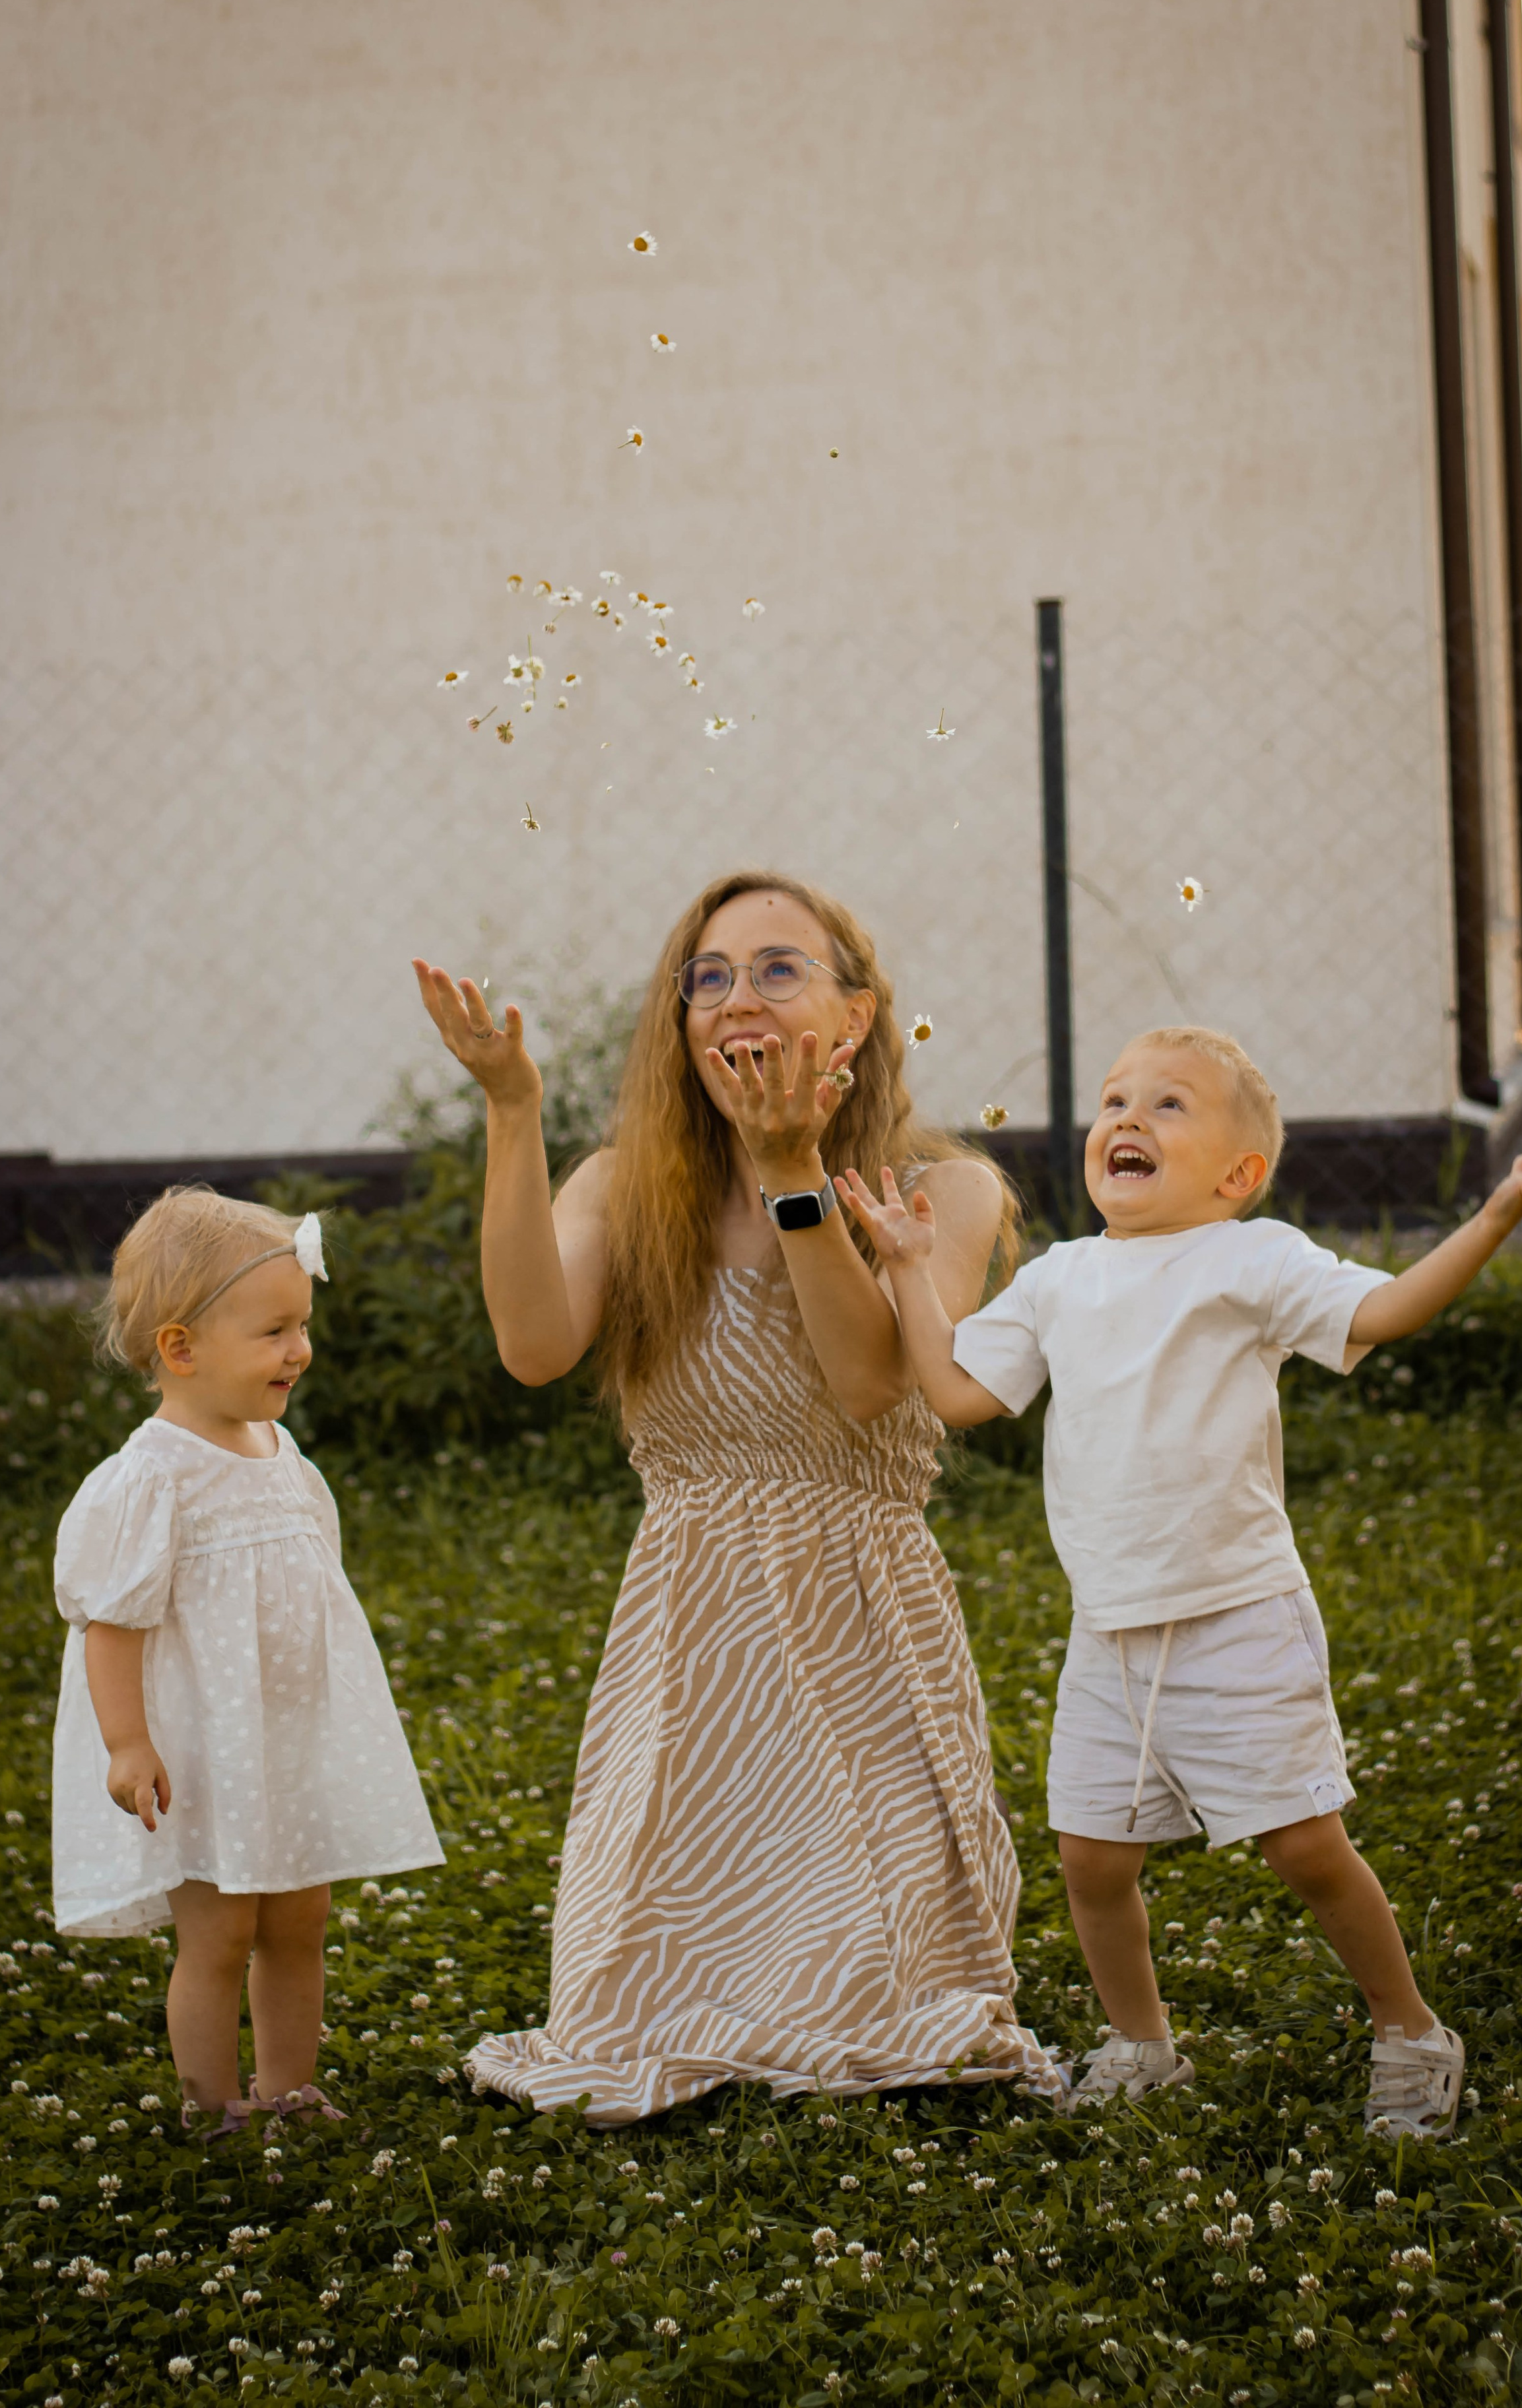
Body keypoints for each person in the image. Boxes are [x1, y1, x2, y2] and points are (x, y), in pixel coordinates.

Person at [837, 1024, 1522, 2140]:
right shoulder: (1058, 1280)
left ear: (1238, 1175)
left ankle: (1411, 2031)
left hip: (1239, 1617)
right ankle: (1143, 2046)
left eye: (1168, 1104)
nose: (1127, 1118)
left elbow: (1382, 1312)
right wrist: (906, 1267)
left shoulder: (1252, 1259)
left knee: (1306, 1848)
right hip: (1110, 1634)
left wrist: (1490, 1221)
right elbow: (954, 1394)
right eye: (1115, 1100)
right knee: (1092, 1862)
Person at [413, 868, 1062, 2124]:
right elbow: (533, 1346)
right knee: (631, 1999)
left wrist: (792, 1170)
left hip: (857, 1618)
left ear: (855, 1016)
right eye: (707, 978)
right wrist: (512, 1108)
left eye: (776, 970)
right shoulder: (623, 1186)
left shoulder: (942, 1192)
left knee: (874, 1983)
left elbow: (870, 1386)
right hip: (691, 1623)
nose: (735, 998)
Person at [51, 1187, 440, 2139]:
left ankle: (289, 2090)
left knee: (300, 1921)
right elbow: (112, 1625)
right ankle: (213, 2108)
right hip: (203, 1754)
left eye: (301, 1326)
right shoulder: (151, 1478)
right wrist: (128, 1743)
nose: (299, 1350)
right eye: (274, 1332)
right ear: (181, 1349)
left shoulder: (280, 1450)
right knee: (221, 1934)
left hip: (287, 1738)